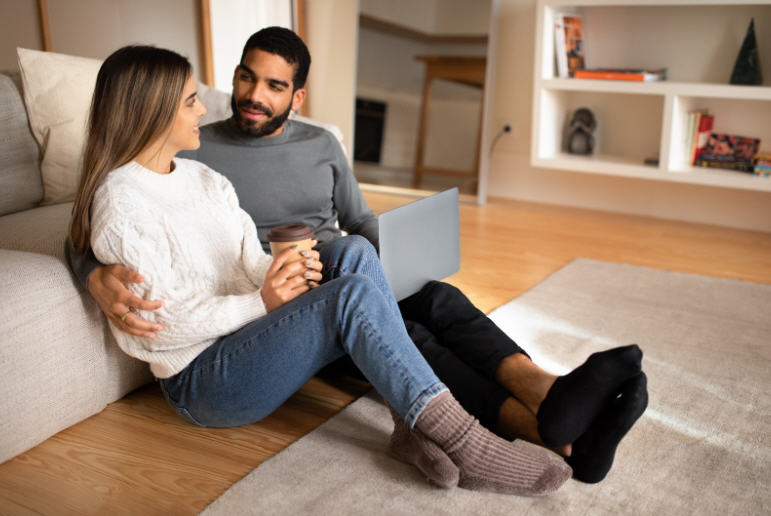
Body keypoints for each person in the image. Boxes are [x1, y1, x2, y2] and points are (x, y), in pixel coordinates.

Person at [67, 29, 648, 484]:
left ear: (297, 96)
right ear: (154, 109)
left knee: (413, 288)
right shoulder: (162, 176)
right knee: (390, 323)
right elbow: (123, 274)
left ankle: (540, 398)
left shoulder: (239, 165)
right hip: (230, 347)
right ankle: (489, 438)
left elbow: (336, 231)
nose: (242, 97)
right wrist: (95, 273)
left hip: (279, 297)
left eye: (273, 86)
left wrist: (302, 276)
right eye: (243, 79)